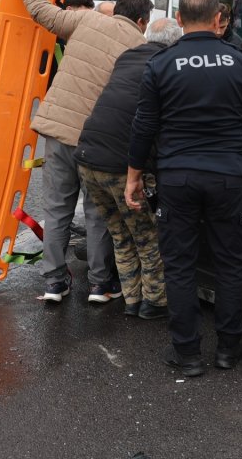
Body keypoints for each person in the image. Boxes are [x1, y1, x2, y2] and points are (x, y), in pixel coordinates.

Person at [125, 0, 242, 377]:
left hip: (178, 180)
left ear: (178, 18)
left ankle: (188, 354)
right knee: (230, 262)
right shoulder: (241, 63)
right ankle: (228, 349)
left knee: (179, 265)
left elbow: (144, 127)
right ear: (218, 19)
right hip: (227, 177)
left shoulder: (161, 64)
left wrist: (134, 177)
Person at [16, 0, 149, 304]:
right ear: (141, 21)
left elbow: (41, 11)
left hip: (57, 131)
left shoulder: (85, 20)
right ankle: (100, 284)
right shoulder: (139, 47)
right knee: (95, 212)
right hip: (96, 142)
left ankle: (54, 283)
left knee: (56, 209)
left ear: (115, 8)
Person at [75, 17, 182, 319]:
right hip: (119, 164)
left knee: (120, 234)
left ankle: (132, 300)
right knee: (146, 234)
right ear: (175, 42)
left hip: (87, 155)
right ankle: (154, 303)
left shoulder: (127, 56)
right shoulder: (167, 65)